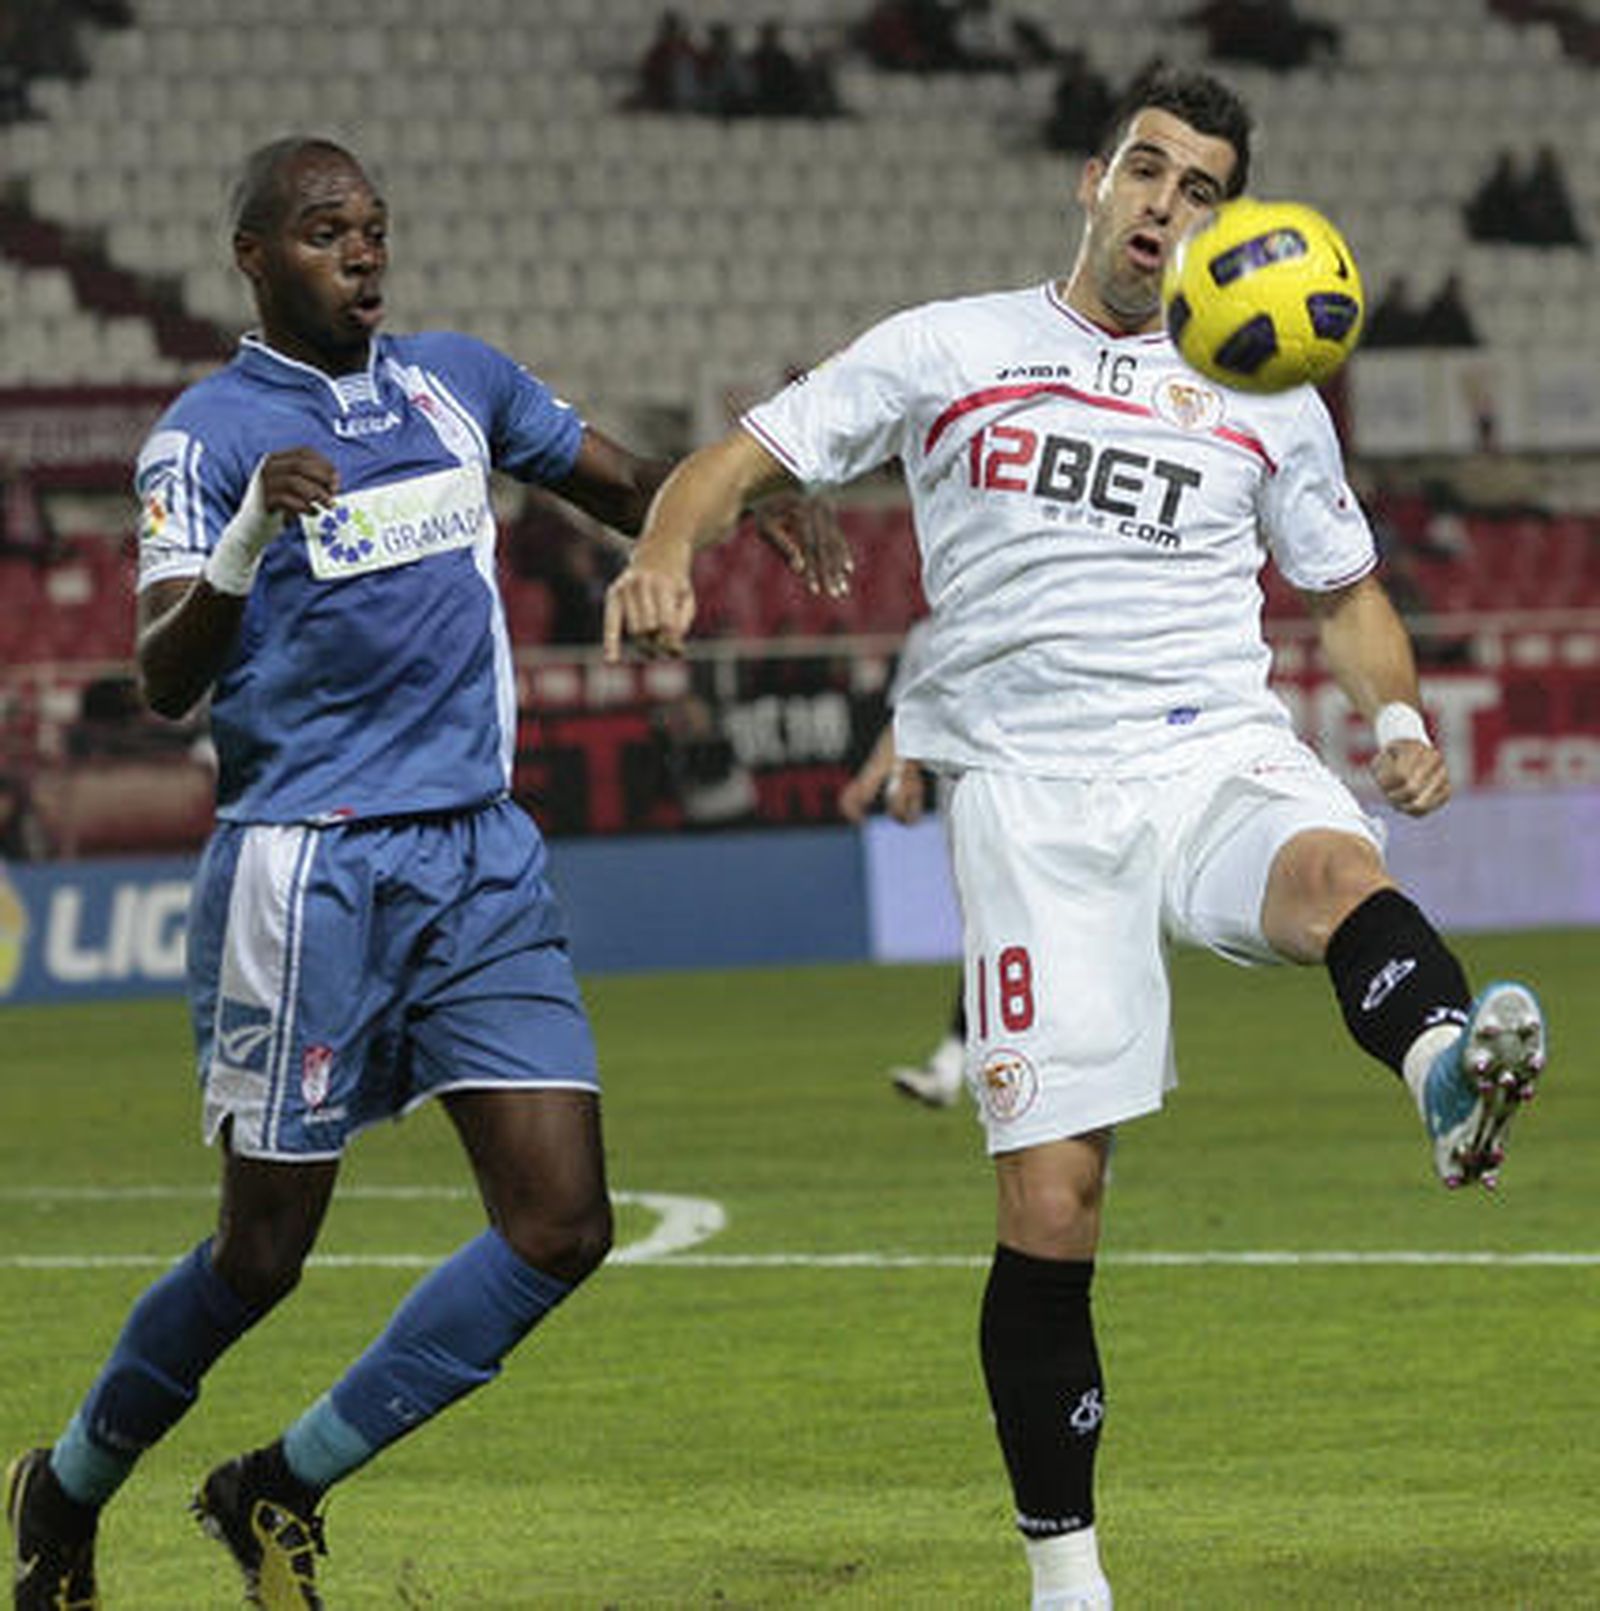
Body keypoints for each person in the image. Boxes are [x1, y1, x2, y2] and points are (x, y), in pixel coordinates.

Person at [601, 65, 1550, 1609]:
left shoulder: (1264, 386)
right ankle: (1069, 1574)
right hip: (1033, 801)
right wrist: (661, 548)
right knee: (1053, 1201)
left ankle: (1447, 1067)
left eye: (1202, 190)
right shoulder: (951, 345)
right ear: (1093, 181)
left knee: (1338, 875)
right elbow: (740, 460)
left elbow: (1348, 589)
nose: (1166, 207)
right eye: (1150, 173)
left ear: (1227, 228)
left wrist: (1391, 723)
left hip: (1210, 746)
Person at [3, 135, 847, 1611]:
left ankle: (279, 1482)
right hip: (308, 872)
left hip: (479, 855)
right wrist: (252, 535)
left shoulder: (456, 378)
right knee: (260, 1256)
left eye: (376, 228)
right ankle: (66, 1483)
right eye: (329, 232)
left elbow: (624, 479)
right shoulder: (202, 439)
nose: (365, 254)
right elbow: (160, 678)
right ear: (256, 257)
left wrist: (728, 499)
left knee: (561, 1223)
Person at [837, 617, 966, 1106]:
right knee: (992, 936)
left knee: (1014, 935)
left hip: (1030, 794)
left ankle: (954, 1064)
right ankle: (966, 1065)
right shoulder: (925, 636)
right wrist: (887, 776)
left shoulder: (1020, 600)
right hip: (960, 801)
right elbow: (911, 715)